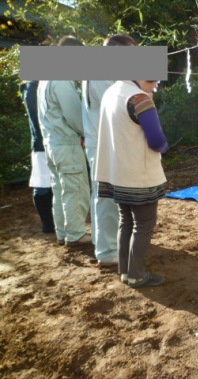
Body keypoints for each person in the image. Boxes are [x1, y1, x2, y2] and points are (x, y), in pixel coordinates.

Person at [95, 79, 168, 288]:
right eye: (152, 81)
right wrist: (165, 145)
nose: (155, 86)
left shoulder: (111, 92)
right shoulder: (139, 99)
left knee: (126, 221)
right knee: (143, 225)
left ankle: (125, 272)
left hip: (117, 172)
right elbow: (156, 140)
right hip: (138, 174)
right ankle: (136, 275)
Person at [82, 34, 136, 267]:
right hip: (105, 143)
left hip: (101, 141)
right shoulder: (103, 73)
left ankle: (102, 242)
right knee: (107, 199)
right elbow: (118, 108)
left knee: (102, 197)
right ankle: (107, 250)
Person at [37, 35, 91, 246]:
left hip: (51, 143)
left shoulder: (45, 78)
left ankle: (63, 232)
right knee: (75, 191)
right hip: (66, 144)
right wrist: (87, 133)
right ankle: (76, 234)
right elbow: (74, 114)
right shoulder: (61, 78)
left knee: (60, 191)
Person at [20, 80, 55, 234]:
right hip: (43, 143)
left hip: (42, 142)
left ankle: (49, 223)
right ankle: (48, 224)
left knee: (44, 184)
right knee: (43, 185)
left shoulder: (31, 86)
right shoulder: (33, 87)